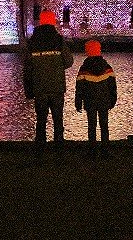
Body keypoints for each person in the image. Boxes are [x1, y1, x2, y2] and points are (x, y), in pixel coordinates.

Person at [23, 10, 73, 145]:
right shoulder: (58, 40)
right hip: (57, 87)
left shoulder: (32, 42)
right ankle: (59, 145)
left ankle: (40, 146)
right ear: (53, 22)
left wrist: (28, 91)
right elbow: (69, 61)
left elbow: (27, 68)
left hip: (39, 87)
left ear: (41, 22)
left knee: (41, 119)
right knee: (58, 118)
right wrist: (56, 66)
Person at [75, 40, 117, 157]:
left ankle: (92, 150)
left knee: (91, 125)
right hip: (104, 101)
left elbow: (79, 88)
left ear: (87, 51)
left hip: (90, 101)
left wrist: (78, 103)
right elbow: (112, 86)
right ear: (99, 50)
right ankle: (105, 150)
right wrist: (113, 100)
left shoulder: (84, 69)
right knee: (104, 125)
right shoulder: (107, 68)